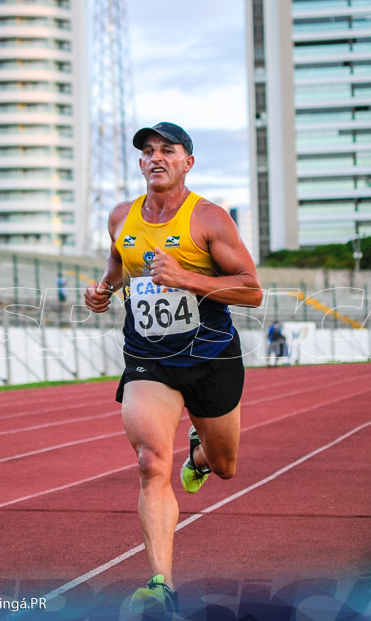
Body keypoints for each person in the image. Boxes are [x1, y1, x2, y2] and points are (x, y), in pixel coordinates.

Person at [83, 122, 263, 616]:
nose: (156, 157)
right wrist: (102, 290)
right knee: (149, 464)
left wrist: (185, 277)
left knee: (225, 466)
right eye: (147, 151)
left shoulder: (208, 218)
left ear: (188, 162)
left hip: (210, 356)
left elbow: (251, 290)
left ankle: (199, 457)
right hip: (149, 356)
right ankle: (161, 584)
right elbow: (118, 268)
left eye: (169, 150)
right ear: (140, 164)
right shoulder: (121, 216)